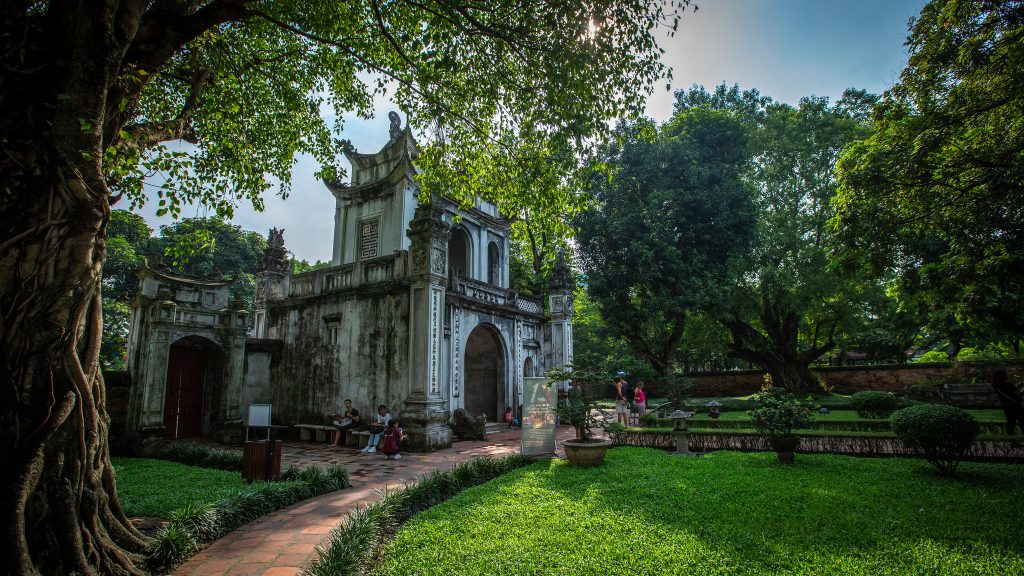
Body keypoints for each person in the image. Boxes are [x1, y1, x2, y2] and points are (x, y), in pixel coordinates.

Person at [991, 368, 1024, 435]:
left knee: (1011, 423)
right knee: (1022, 422)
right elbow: (1019, 394)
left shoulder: (996, 385)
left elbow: (1010, 392)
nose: (1008, 374)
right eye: (1006, 374)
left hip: (1006, 406)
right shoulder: (1008, 385)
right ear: (1003, 376)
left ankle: (1012, 440)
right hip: (1015, 406)